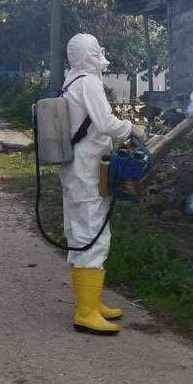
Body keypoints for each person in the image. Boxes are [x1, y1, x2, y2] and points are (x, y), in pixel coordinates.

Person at [59, 33, 146, 335]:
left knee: (80, 231)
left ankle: (92, 303)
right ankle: (86, 312)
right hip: (86, 169)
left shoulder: (70, 81)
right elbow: (106, 123)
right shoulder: (89, 83)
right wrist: (132, 128)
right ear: (92, 55)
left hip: (76, 167)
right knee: (92, 233)